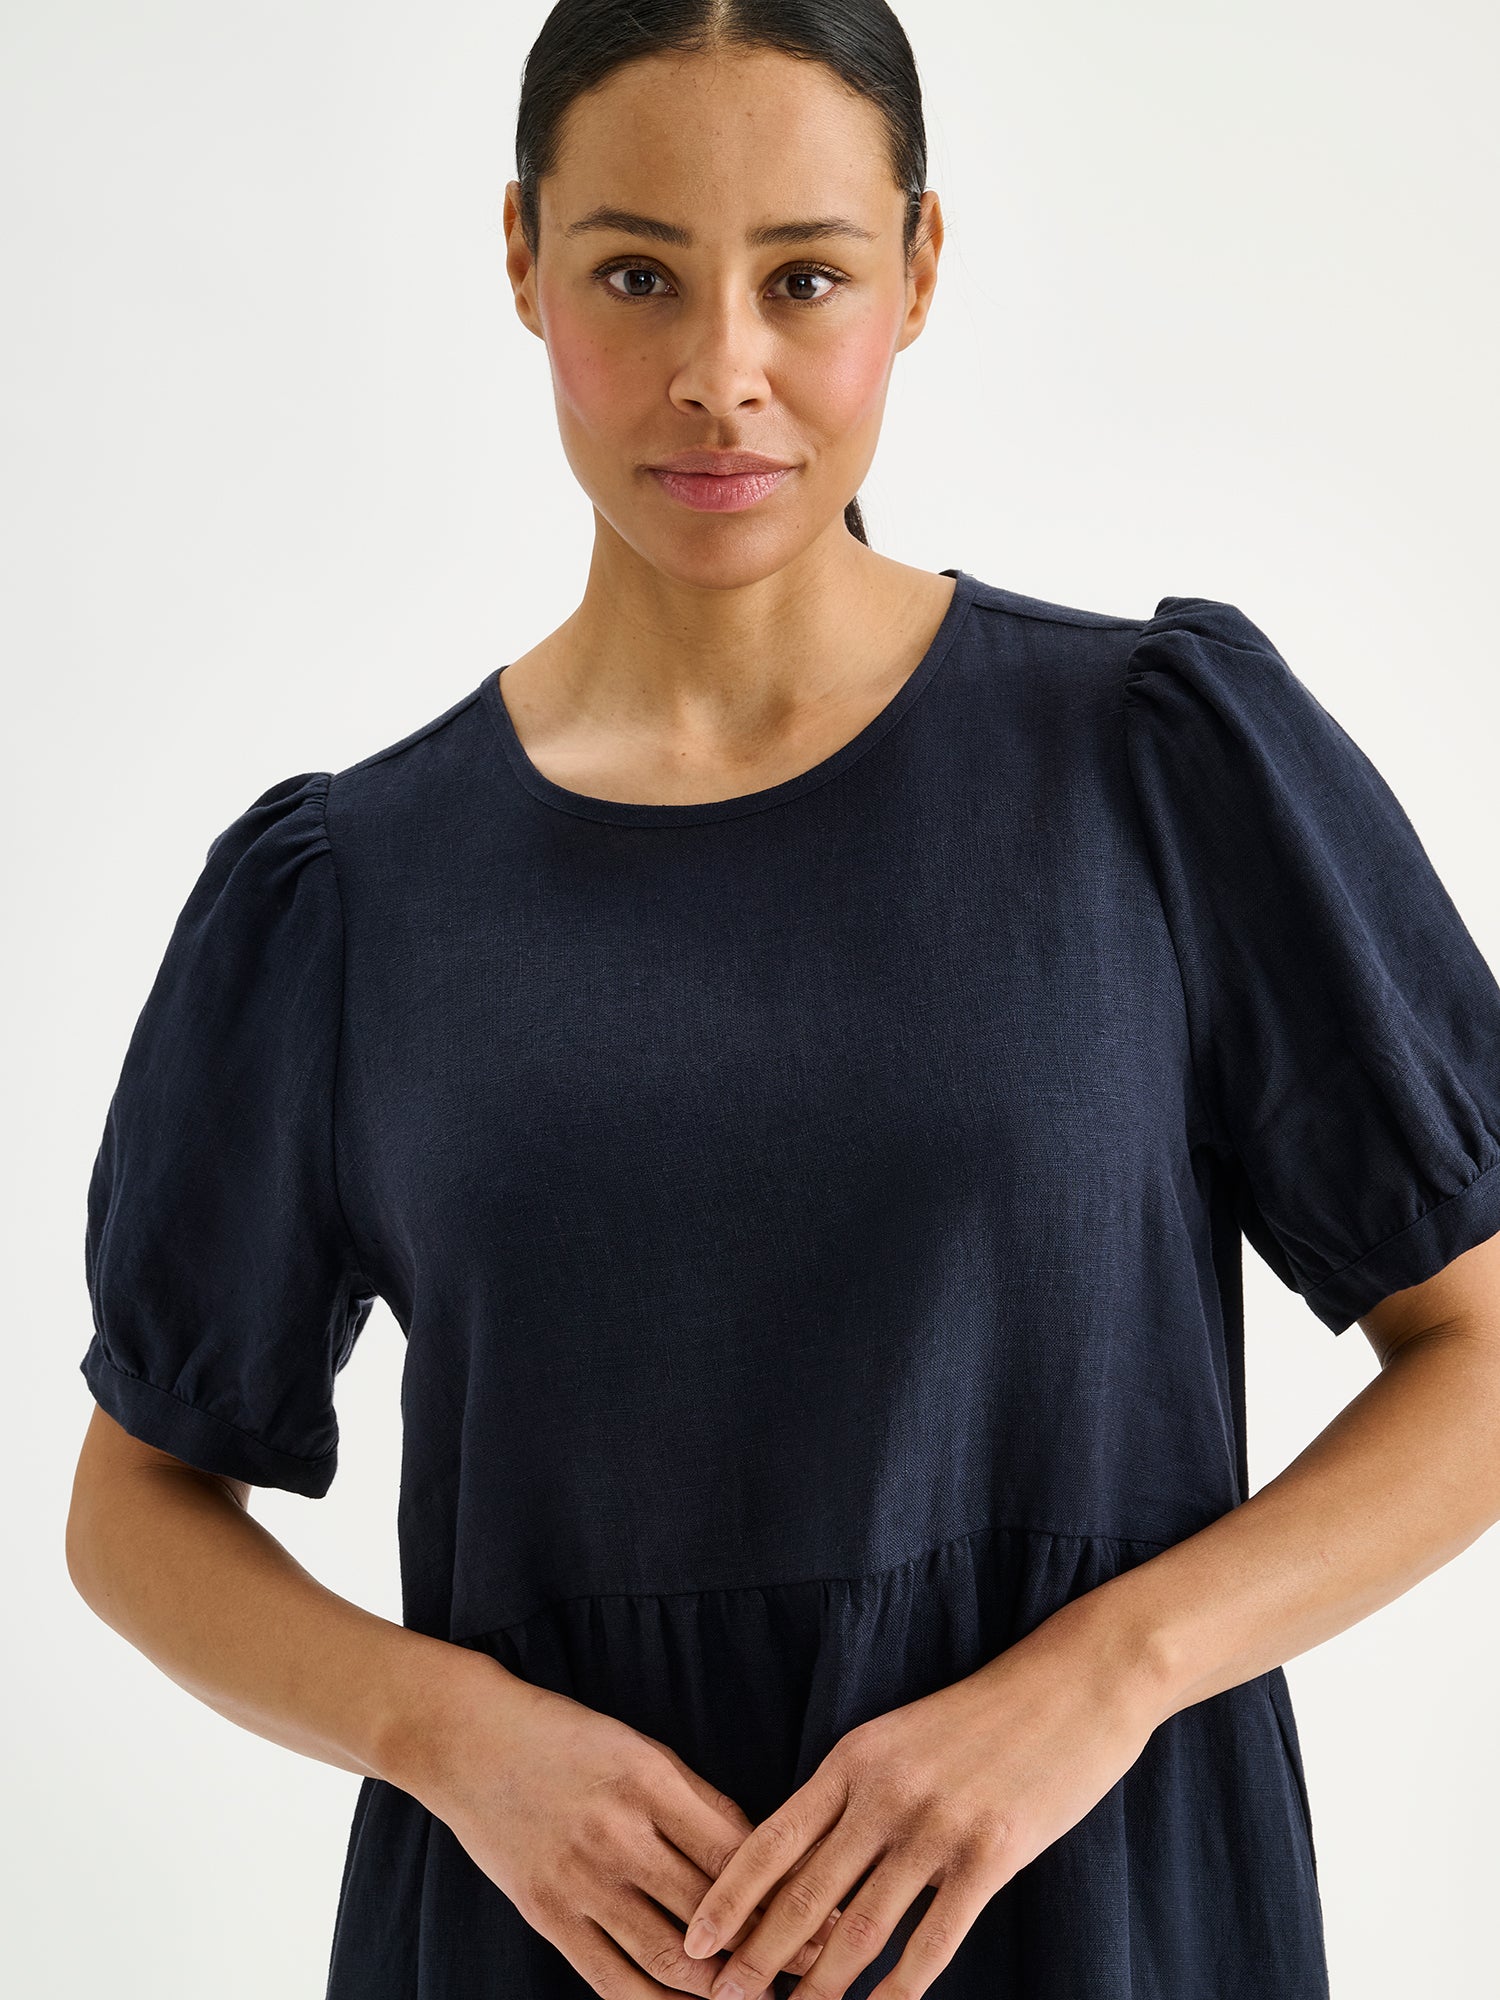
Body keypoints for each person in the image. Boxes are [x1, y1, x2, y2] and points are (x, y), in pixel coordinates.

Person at [66, 2, 1500, 1997]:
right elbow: (136, 1499)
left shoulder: (1158, 771)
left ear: (920, 267)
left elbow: (1483, 1354)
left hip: (1091, 1911)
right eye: (634, 275)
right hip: (544, 1938)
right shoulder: (349, 899)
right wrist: (445, 1733)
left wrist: (1101, 1679)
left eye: (803, 277)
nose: (716, 377)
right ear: (520, 260)